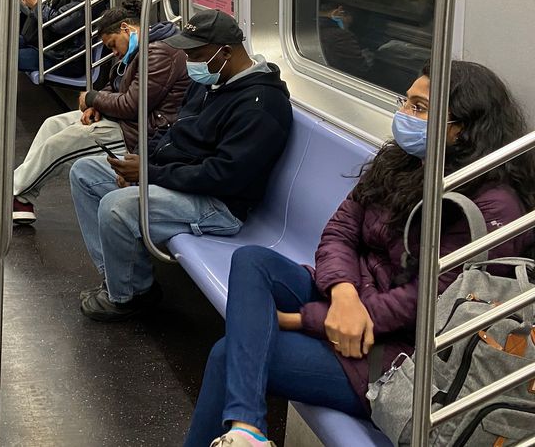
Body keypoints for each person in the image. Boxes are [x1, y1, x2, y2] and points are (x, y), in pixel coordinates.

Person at [185, 61, 535, 447]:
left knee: (227, 353)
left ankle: (245, 430)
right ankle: (247, 431)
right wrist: (343, 295)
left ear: (462, 129)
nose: (404, 115)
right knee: (252, 260)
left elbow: (436, 302)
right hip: (350, 301)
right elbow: (340, 232)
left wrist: (307, 319)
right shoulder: (400, 163)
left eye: (419, 109)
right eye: (406, 102)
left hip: (400, 355)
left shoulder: (492, 206)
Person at [70, 9, 294, 321]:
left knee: (116, 207)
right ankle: (122, 278)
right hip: (181, 180)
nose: (189, 63)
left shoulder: (262, 107)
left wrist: (149, 175)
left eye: (195, 54)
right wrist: (142, 161)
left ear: (225, 52)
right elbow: (173, 132)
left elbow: (223, 176)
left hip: (219, 204)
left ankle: (129, 296)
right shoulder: (211, 83)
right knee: (84, 173)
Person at [0, 0, 190, 224]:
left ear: (126, 28)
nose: (114, 53)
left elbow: (132, 105)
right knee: (52, 125)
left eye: (112, 45)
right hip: (124, 121)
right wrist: (96, 105)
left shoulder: (158, 53)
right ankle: (21, 198)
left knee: (61, 144)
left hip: (139, 131)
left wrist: (93, 98)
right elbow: (116, 85)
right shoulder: (139, 49)